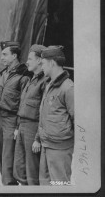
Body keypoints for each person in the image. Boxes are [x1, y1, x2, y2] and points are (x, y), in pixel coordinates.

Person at [0, 41, 30, 185]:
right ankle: (7, 185)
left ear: (14, 55)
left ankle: (10, 187)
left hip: (12, 120)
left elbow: (23, 104)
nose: (1, 57)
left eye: (5, 54)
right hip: (1, 120)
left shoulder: (23, 76)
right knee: (1, 158)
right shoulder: (3, 74)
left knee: (9, 160)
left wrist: (17, 127)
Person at [39, 45, 74, 185]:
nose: (41, 67)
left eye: (42, 63)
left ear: (52, 63)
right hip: (46, 144)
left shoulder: (68, 87)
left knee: (60, 186)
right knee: (45, 186)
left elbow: (78, 120)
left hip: (60, 148)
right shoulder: (49, 84)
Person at [13, 44, 47, 185]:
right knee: (19, 169)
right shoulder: (31, 79)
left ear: (40, 60)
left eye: (30, 59)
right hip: (22, 127)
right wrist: (17, 127)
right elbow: (22, 106)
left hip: (33, 128)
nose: (27, 62)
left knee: (32, 169)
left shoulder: (44, 81)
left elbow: (43, 112)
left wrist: (38, 138)